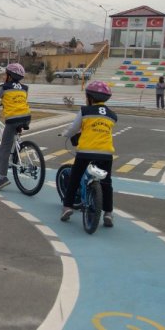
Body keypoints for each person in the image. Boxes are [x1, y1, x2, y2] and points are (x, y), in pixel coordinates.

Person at [59, 81, 117, 227]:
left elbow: (73, 128)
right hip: (105, 153)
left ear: (89, 97)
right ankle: (108, 213)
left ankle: (67, 207)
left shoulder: (85, 111)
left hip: (85, 152)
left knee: (75, 178)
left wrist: (65, 134)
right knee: (106, 182)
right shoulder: (112, 115)